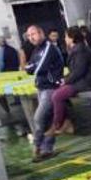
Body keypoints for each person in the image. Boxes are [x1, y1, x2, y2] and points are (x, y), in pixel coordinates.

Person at [46, 27, 91, 137]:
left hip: (89, 82)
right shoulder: (78, 49)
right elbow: (75, 70)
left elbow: (79, 70)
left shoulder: (80, 50)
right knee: (57, 93)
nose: (64, 39)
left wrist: (65, 81)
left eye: (66, 36)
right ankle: (66, 122)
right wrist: (64, 80)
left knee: (57, 96)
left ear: (71, 37)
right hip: (83, 80)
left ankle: (57, 125)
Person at [24, 25, 65, 161]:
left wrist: (32, 66)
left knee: (39, 118)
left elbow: (38, 68)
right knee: (47, 120)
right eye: (29, 36)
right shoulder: (36, 50)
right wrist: (32, 66)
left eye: (33, 34)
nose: (31, 38)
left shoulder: (49, 47)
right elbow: (28, 68)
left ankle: (37, 147)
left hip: (50, 88)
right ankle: (47, 149)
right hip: (41, 88)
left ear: (41, 33)